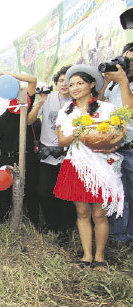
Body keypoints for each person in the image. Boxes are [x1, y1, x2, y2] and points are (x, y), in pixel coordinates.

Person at [54, 64, 124, 268]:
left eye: (80, 83)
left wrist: (113, 145)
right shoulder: (66, 112)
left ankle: (100, 257)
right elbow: (60, 141)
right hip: (76, 165)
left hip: (101, 166)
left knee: (99, 214)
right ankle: (86, 256)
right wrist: (76, 134)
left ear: (92, 84)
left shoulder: (107, 108)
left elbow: (116, 136)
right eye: (72, 84)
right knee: (82, 213)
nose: (74, 88)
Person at [27, 66, 77, 234]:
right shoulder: (47, 98)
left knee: (67, 194)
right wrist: (39, 102)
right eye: (61, 80)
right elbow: (28, 121)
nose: (64, 84)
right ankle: (52, 223)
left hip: (69, 155)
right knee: (44, 192)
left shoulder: (77, 102)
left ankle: (67, 226)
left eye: (68, 81)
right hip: (47, 155)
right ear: (55, 83)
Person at [0, 71, 40, 228]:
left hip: (25, 155)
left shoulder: (22, 99)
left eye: (6, 82)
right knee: (5, 193)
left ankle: (34, 223)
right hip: (6, 157)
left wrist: (7, 74)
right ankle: (3, 224)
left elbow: (33, 80)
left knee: (30, 191)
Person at [99, 42, 133, 246]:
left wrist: (123, 82)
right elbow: (99, 103)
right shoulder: (112, 84)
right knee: (117, 194)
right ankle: (119, 238)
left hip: (131, 148)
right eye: (126, 59)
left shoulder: (123, 84)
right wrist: (106, 81)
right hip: (114, 148)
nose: (128, 64)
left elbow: (130, 112)